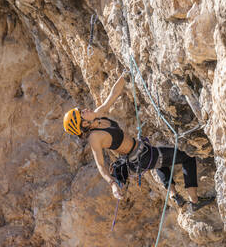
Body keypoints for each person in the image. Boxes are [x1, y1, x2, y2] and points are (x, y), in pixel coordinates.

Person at [63, 71, 215, 211]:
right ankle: (194, 201)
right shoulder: (95, 138)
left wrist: (124, 75)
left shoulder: (97, 116)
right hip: (141, 157)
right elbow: (101, 165)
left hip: (142, 153)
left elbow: (113, 94)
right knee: (187, 157)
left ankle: (175, 195)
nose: (84, 110)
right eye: (81, 113)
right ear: (83, 124)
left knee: (161, 161)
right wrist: (113, 185)